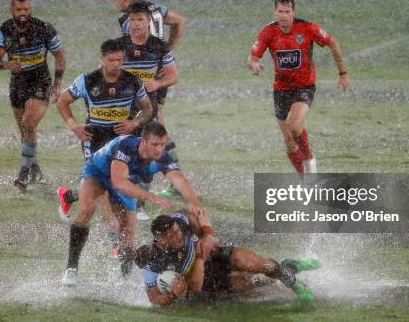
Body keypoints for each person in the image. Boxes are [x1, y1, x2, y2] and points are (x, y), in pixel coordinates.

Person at [61, 122, 203, 284]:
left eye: (162, 144)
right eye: (155, 144)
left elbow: (178, 178)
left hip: (123, 182)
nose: (159, 149)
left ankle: (125, 280)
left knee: (128, 233)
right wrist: (151, 197)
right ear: (143, 141)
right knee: (88, 208)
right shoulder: (126, 145)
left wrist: (194, 202)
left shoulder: (162, 157)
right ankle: (71, 268)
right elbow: (118, 182)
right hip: (98, 173)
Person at [55, 39, 153, 257]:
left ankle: (69, 196)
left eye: (119, 60)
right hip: (94, 142)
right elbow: (62, 102)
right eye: (111, 60)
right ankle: (116, 243)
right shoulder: (87, 81)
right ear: (102, 60)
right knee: (107, 191)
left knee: (108, 189)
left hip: (121, 144)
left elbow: (147, 110)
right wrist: (74, 126)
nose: (116, 64)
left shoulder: (132, 82)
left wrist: (134, 123)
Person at [246, 0, 349, 175]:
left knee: (294, 126)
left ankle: (309, 159)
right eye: (280, 11)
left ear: (294, 12)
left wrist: (342, 73)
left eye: (287, 12)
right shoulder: (268, 32)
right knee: (289, 143)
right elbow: (252, 58)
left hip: (304, 87)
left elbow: (332, 42)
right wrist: (254, 64)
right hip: (281, 89)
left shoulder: (307, 28)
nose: (283, 15)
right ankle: (305, 182)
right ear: (275, 12)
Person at [135, 209, 321, 306]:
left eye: (178, 231)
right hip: (204, 279)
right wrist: (173, 294)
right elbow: (155, 300)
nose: (179, 237)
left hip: (215, 253)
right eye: (172, 236)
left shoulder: (179, 222)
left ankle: (294, 283)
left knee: (259, 265)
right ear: (160, 239)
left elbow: (192, 214)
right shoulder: (150, 260)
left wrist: (206, 234)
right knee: (256, 282)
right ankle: (288, 265)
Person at [113, 0, 187, 200]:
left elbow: (134, 47)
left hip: (146, 77)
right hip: (158, 70)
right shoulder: (154, 8)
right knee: (156, 123)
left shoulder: (126, 18)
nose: (114, 0)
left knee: (150, 127)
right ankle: (171, 176)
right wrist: (169, 50)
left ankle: (142, 180)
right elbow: (180, 21)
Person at [0, 0, 66, 191]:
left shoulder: (43, 28)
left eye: (26, 9)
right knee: (24, 130)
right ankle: (35, 168)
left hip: (40, 82)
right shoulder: (3, 30)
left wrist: (57, 83)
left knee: (28, 123)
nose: (23, 13)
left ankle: (24, 173)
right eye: (19, 10)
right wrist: (6, 64)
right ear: (12, 10)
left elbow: (59, 55)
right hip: (17, 85)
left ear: (30, 9)